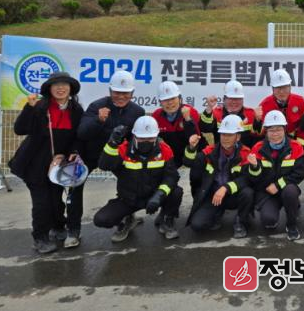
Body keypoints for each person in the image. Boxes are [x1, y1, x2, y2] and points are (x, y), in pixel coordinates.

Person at [11, 72, 84, 253]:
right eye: (56, 85)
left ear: (71, 89)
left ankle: (58, 226)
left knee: (56, 201)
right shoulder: (39, 107)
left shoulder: (76, 110)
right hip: (35, 163)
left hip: (58, 165)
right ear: (49, 89)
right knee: (42, 203)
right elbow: (20, 129)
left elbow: (77, 136)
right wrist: (29, 108)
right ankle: (40, 237)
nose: (60, 88)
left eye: (64, 84)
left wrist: (71, 153)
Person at [77, 70, 145, 238]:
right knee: (75, 185)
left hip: (117, 156)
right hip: (91, 154)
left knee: (131, 181)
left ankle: (127, 218)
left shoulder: (137, 111)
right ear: (110, 91)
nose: (121, 96)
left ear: (132, 93)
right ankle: (73, 229)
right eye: (117, 92)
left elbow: (135, 139)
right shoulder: (96, 106)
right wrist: (98, 120)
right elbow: (82, 133)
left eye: (125, 93)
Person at [94, 116, 183, 241]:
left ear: (156, 136)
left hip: (155, 196)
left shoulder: (164, 149)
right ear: (134, 135)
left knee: (176, 192)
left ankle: (166, 219)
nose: (146, 141)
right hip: (129, 198)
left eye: (150, 138)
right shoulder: (124, 149)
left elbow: (172, 176)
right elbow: (104, 165)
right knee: (101, 219)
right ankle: (128, 220)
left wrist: (159, 195)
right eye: (141, 138)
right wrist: (112, 143)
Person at [186, 114, 255, 239]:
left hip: (233, 195)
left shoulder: (245, 153)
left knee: (248, 193)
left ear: (238, 137)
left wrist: (226, 188)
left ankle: (241, 220)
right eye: (223, 134)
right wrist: (191, 148)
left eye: (230, 135)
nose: (225, 138)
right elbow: (190, 166)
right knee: (197, 225)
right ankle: (217, 212)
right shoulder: (208, 152)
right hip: (213, 196)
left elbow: (247, 179)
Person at [248, 110, 304, 240]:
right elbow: (254, 178)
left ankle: (291, 224)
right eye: (271, 130)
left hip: (286, 188)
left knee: (290, 192)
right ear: (266, 131)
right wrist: (254, 167)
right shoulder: (257, 148)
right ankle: (284, 206)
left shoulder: (296, 147)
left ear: (285, 129)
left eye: (279, 129)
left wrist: (278, 185)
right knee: (269, 221)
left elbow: (299, 174)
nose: (275, 134)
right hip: (267, 191)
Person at [151, 81, 206, 202]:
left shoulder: (190, 111)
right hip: (172, 152)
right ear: (160, 102)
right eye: (165, 100)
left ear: (180, 98)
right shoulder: (156, 116)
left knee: (198, 174)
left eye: (173, 98)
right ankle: (167, 204)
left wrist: (187, 119)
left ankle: (199, 202)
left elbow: (195, 137)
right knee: (163, 174)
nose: (170, 103)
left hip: (193, 148)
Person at [200, 79, 262, 148]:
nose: (234, 102)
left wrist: (258, 122)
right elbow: (205, 129)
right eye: (231, 98)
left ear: (242, 100)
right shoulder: (217, 113)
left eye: (237, 99)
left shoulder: (251, 114)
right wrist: (209, 108)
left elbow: (258, 138)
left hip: (245, 153)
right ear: (224, 99)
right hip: (221, 153)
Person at [258, 69, 304, 149]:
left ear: (290, 87)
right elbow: (261, 133)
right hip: (272, 143)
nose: (281, 92)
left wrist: (299, 147)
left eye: (284, 87)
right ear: (272, 89)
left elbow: (303, 128)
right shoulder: (264, 105)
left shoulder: (300, 101)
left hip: (296, 142)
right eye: (278, 88)